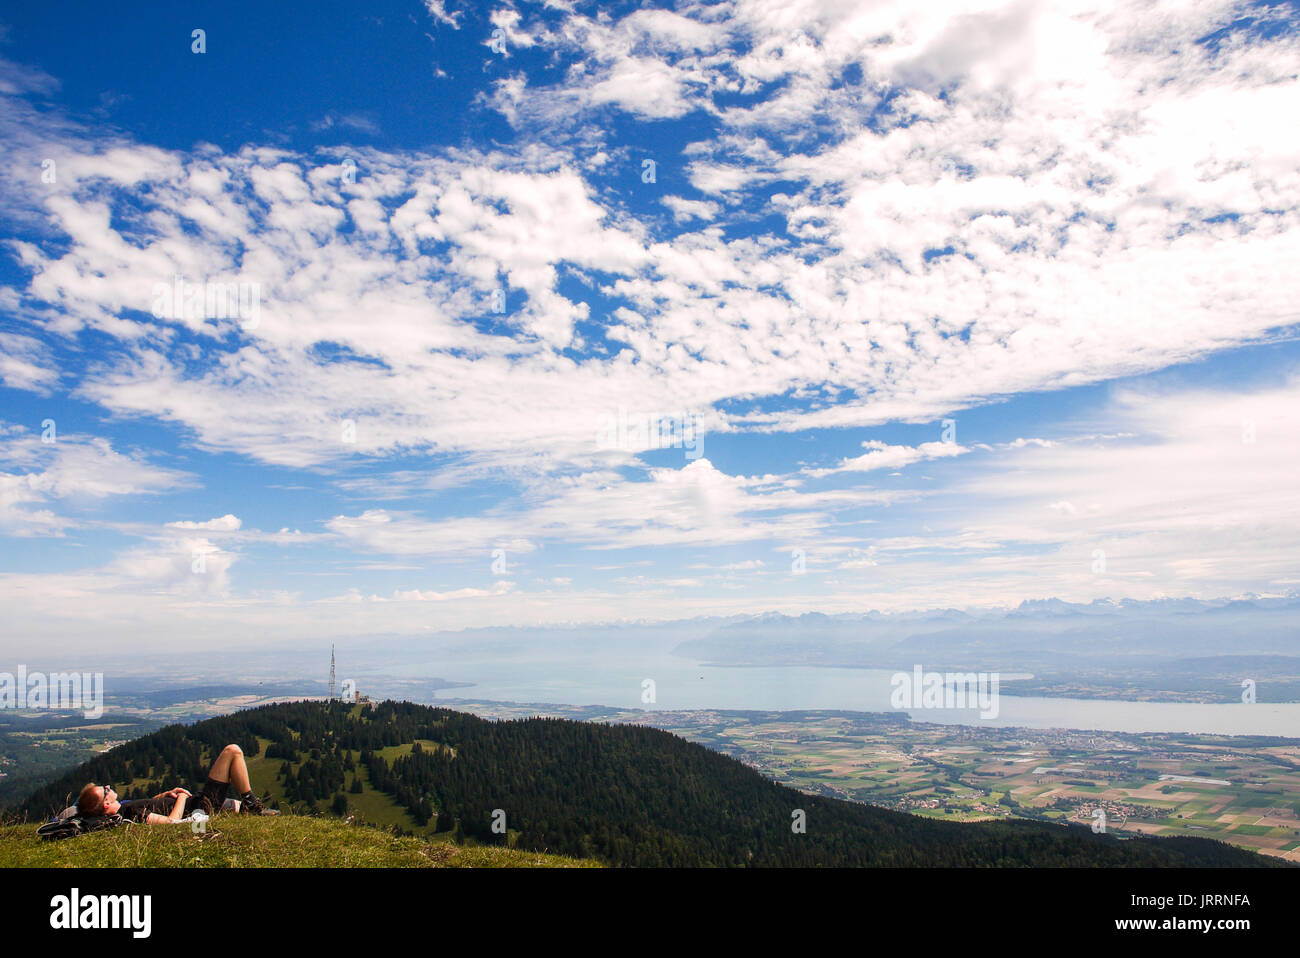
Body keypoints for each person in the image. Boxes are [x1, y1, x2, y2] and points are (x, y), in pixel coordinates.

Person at [76, 744, 277, 823]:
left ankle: (249, 807)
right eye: (105, 790)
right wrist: (181, 798)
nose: (109, 787)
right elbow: (172, 824)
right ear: (106, 804)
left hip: (197, 805)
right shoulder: (129, 813)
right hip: (199, 808)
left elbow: (152, 808)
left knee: (235, 808)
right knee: (233, 751)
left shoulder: (126, 808)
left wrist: (163, 795)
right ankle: (251, 803)